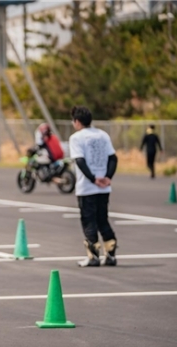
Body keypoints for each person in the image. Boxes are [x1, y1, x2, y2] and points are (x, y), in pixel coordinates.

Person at [68, 106, 118, 267]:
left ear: (77, 121)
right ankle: (110, 254)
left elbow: (80, 161)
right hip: (104, 187)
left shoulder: (76, 138)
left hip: (87, 187)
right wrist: (108, 177)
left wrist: (93, 179)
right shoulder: (103, 135)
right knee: (103, 219)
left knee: (89, 220)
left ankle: (93, 256)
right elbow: (113, 158)